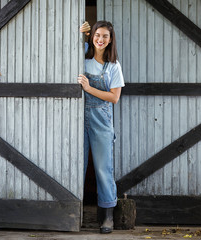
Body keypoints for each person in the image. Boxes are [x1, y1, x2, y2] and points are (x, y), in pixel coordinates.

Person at [78, 21, 125, 234]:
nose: (100, 39)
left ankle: (107, 216)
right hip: (77, 118)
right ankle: (71, 211)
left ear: (111, 39)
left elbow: (114, 97)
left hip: (101, 120)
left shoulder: (113, 66)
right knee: (76, 166)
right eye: (97, 35)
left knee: (102, 169)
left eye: (105, 36)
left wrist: (88, 87)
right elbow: (72, 44)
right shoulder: (81, 57)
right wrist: (81, 32)